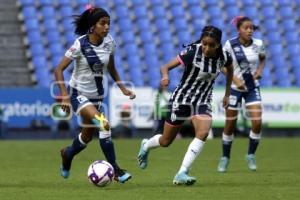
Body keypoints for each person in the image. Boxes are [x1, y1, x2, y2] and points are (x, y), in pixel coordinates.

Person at [137, 25, 233, 185]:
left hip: (202, 101)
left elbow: (230, 71)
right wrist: (165, 77)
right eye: (204, 43)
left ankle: (182, 172)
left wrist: (227, 94)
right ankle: (146, 145)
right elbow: (165, 67)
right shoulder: (192, 52)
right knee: (166, 142)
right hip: (181, 100)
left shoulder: (224, 56)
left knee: (203, 132)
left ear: (218, 45)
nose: (207, 48)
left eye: (211, 45)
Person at [54, 5, 135, 183]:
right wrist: (65, 97)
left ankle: (67, 154)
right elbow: (59, 69)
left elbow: (112, 68)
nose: (107, 27)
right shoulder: (80, 44)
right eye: (103, 23)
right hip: (78, 94)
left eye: (109, 24)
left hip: (97, 97)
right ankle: (116, 170)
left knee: (86, 137)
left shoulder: (110, 42)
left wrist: (122, 88)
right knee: (104, 124)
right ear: (93, 25)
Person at [217, 16, 266, 172]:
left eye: (252, 28)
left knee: (257, 123)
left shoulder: (258, 44)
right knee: (230, 124)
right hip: (234, 89)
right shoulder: (230, 44)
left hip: (252, 88)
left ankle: (250, 155)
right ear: (239, 30)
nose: (250, 30)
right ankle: (225, 157)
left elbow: (263, 59)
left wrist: (259, 71)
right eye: (246, 28)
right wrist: (235, 79)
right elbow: (220, 64)